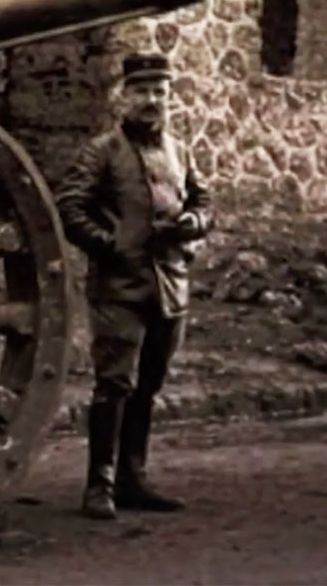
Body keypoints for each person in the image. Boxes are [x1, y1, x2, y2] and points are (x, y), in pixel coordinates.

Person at [56, 51, 212, 521]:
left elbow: (204, 199)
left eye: (159, 93)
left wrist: (194, 221)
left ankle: (133, 478)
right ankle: (98, 486)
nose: (151, 101)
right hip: (120, 286)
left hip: (171, 282)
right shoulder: (102, 151)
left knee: (149, 385)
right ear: (124, 97)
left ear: (169, 98)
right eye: (142, 92)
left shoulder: (178, 150)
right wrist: (109, 247)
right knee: (114, 385)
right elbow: (69, 206)